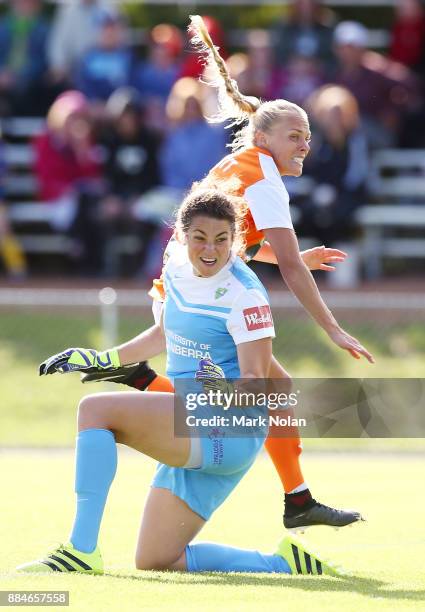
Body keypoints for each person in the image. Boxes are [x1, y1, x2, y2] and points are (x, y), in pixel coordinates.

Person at [83, 15, 374, 531]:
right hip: (201, 292)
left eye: (307, 136)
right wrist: (331, 326)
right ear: (265, 135)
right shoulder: (265, 177)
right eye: (295, 135)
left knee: (264, 390)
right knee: (245, 395)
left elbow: (228, 240)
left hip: (179, 286)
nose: (304, 144)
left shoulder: (240, 162)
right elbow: (278, 261)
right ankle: (146, 380)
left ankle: (298, 498)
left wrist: (294, 257)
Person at [17, 187, 346, 577]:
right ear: (180, 236)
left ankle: (80, 551)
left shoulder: (247, 295)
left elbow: (258, 383)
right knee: (156, 560)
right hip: (193, 420)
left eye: (222, 240)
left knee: (95, 410)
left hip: (229, 428)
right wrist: (97, 358)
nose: (211, 250)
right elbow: (162, 334)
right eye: (200, 238)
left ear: (236, 240)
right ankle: (285, 563)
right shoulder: (173, 265)